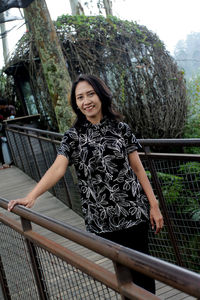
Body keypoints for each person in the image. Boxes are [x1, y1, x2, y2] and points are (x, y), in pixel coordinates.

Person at [8, 74, 163, 293]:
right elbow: (57, 168)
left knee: (143, 273)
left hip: (133, 212)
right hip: (102, 219)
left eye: (90, 94)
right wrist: (31, 196)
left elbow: (138, 168)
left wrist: (154, 205)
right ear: (76, 104)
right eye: (80, 97)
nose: (86, 101)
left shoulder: (121, 128)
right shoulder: (73, 136)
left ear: (101, 95)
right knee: (124, 278)